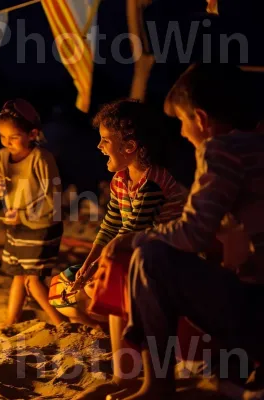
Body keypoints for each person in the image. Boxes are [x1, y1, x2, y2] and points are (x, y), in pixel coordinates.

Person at [92, 63, 264, 400]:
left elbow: (194, 232)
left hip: (256, 310)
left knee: (149, 258)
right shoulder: (257, 144)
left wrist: (134, 239)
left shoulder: (221, 149)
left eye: (184, 122)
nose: (183, 133)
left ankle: (157, 383)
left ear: (200, 119)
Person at [49, 99, 187, 329]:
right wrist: (88, 263)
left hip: (158, 262)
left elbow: (130, 232)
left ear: (130, 146)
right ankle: (105, 324)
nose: (99, 146)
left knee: (92, 287)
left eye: (105, 140)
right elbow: (111, 226)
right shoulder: (120, 179)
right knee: (66, 284)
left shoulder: (153, 182)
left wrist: (95, 270)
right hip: (130, 252)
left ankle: (122, 327)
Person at [0, 99, 65, 327]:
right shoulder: (2, 157)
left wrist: (26, 215)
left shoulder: (41, 159)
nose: (7, 142)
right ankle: (11, 321)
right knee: (18, 275)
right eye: (2, 136)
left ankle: (60, 323)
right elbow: (3, 191)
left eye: (13, 137)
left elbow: (54, 198)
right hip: (17, 226)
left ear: (32, 134)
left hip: (43, 226)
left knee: (33, 280)